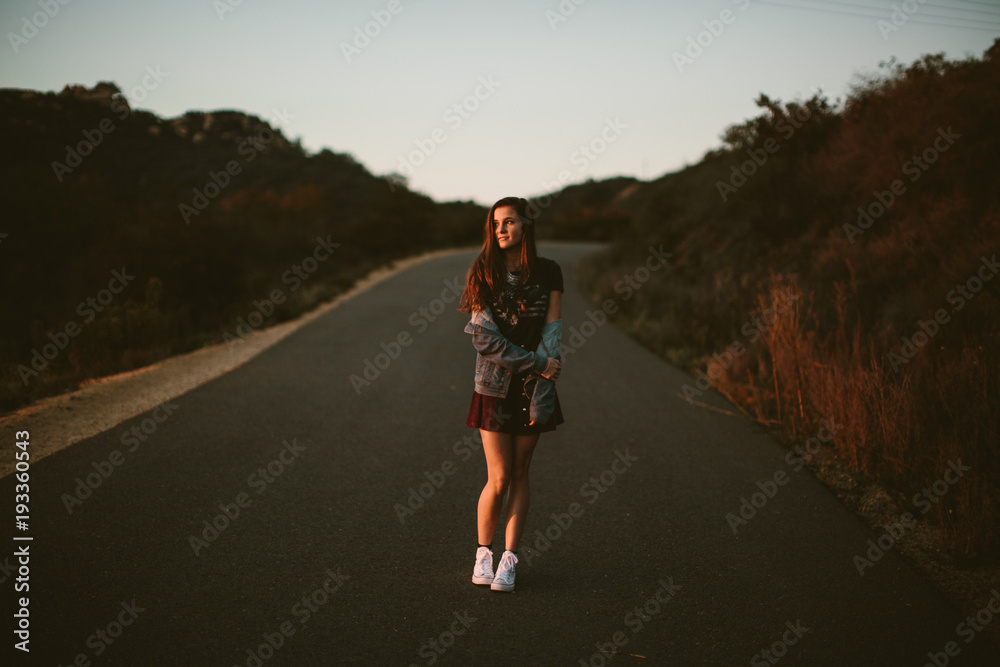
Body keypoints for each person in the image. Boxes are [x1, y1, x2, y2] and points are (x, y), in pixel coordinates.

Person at [458, 196, 565, 592]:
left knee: (521, 474)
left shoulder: (549, 272)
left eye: (509, 222)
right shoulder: (483, 271)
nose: (501, 229)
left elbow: (552, 332)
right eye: (496, 223)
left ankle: (509, 559)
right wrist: (536, 363)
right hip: (493, 385)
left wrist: (545, 382)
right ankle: (483, 554)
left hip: (533, 387)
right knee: (499, 476)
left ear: (526, 227)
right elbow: (484, 339)